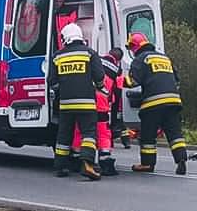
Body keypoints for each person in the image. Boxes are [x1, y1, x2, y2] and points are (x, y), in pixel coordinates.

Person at [125, 32, 188, 175]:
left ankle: (147, 164)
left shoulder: (141, 59)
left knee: (148, 134)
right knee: (175, 133)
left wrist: (116, 81)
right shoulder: (164, 57)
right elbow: (176, 80)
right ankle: (181, 160)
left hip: (153, 104)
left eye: (131, 48)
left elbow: (132, 81)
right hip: (173, 101)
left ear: (135, 47)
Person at [52, 23, 106, 180]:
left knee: (64, 135)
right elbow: (99, 76)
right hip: (86, 103)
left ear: (66, 37)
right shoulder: (89, 53)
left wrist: (62, 89)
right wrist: (100, 86)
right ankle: (88, 164)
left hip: (66, 104)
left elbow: (52, 81)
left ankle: (60, 167)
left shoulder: (58, 56)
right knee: (89, 133)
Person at [73, 49, 122, 176]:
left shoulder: (95, 59)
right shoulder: (116, 70)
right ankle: (105, 162)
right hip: (101, 105)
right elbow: (116, 93)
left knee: (80, 130)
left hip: (85, 100)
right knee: (103, 133)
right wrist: (116, 120)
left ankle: (76, 159)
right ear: (118, 60)